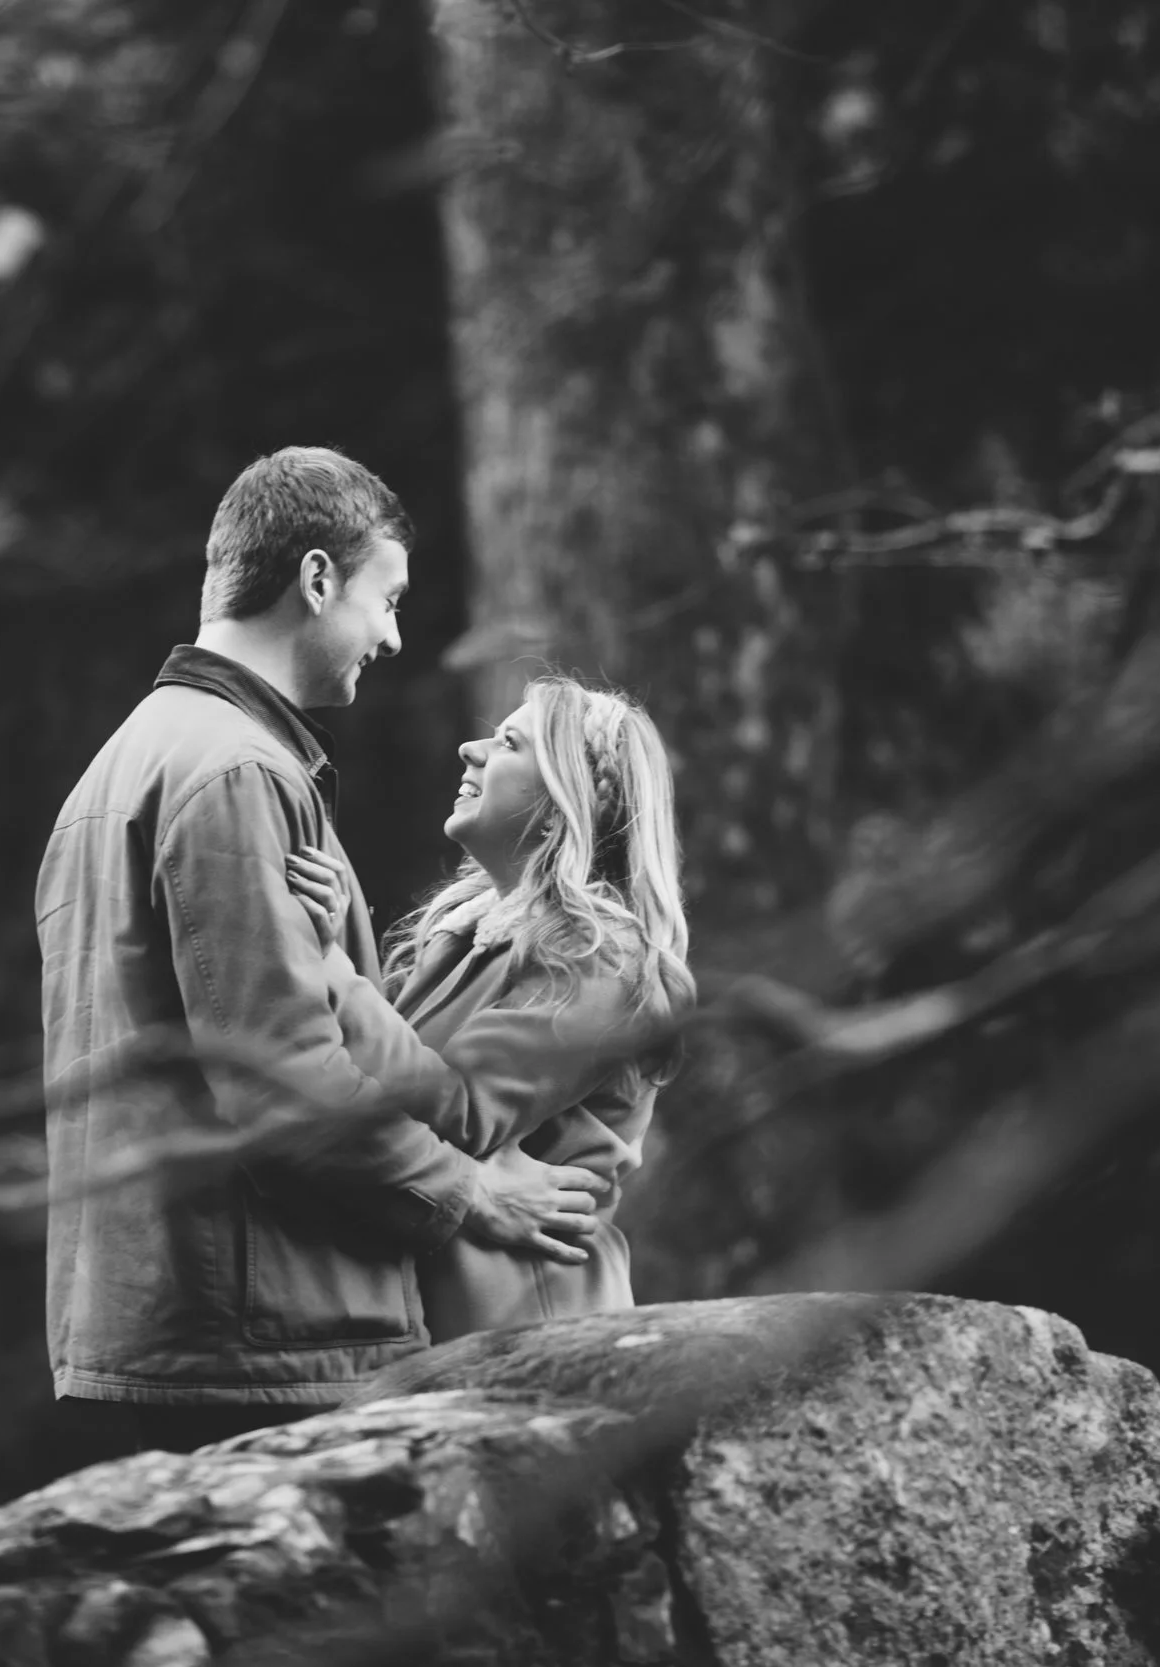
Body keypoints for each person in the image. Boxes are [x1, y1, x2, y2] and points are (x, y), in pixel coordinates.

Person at [34, 447, 611, 1463]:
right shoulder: (238, 770)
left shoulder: (128, 759)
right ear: (315, 579)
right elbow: (283, 1076)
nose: (391, 635)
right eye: (385, 598)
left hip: (179, 1310)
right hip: (264, 1330)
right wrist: (476, 1191)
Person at [286, 678, 694, 1339]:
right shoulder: (460, 939)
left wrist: (331, 964)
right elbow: (375, 1073)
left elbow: (462, 1109)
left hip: (534, 1328)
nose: (469, 749)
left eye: (509, 742)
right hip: (442, 1318)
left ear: (566, 801)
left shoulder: (607, 959)